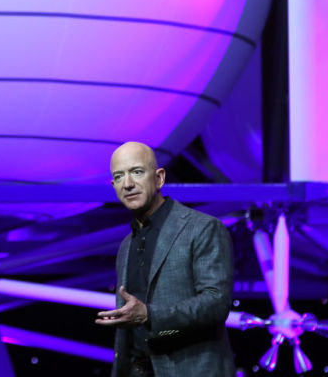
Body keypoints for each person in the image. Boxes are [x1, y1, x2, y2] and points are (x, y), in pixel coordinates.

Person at [95, 141, 235, 377]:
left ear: (159, 178)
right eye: (119, 176)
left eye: (136, 172)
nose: (128, 184)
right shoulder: (126, 245)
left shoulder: (202, 228)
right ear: (114, 186)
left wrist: (149, 315)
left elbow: (216, 304)